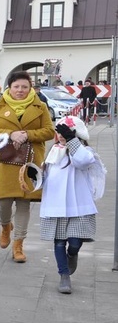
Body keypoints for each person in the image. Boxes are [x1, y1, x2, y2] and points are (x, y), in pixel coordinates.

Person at [0, 71, 54, 263]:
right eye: (16, 87)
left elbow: (49, 131)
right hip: (6, 161)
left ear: (30, 88)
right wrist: (10, 133)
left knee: (24, 203)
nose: (20, 90)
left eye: (24, 87)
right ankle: (5, 226)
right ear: (10, 87)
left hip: (30, 162)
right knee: (3, 203)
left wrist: (27, 135)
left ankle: (18, 245)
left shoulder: (40, 106)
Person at [40, 116, 100, 293]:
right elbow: (47, 177)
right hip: (57, 205)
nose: (61, 136)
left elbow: (83, 161)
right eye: (59, 132)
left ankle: (72, 253)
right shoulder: (53, 151)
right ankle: (64, 276)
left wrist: (72, 140)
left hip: (78, 204)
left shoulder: (85, 151)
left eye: (65, 133)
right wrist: (35, 175)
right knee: (59, 242)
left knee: (74, 241)